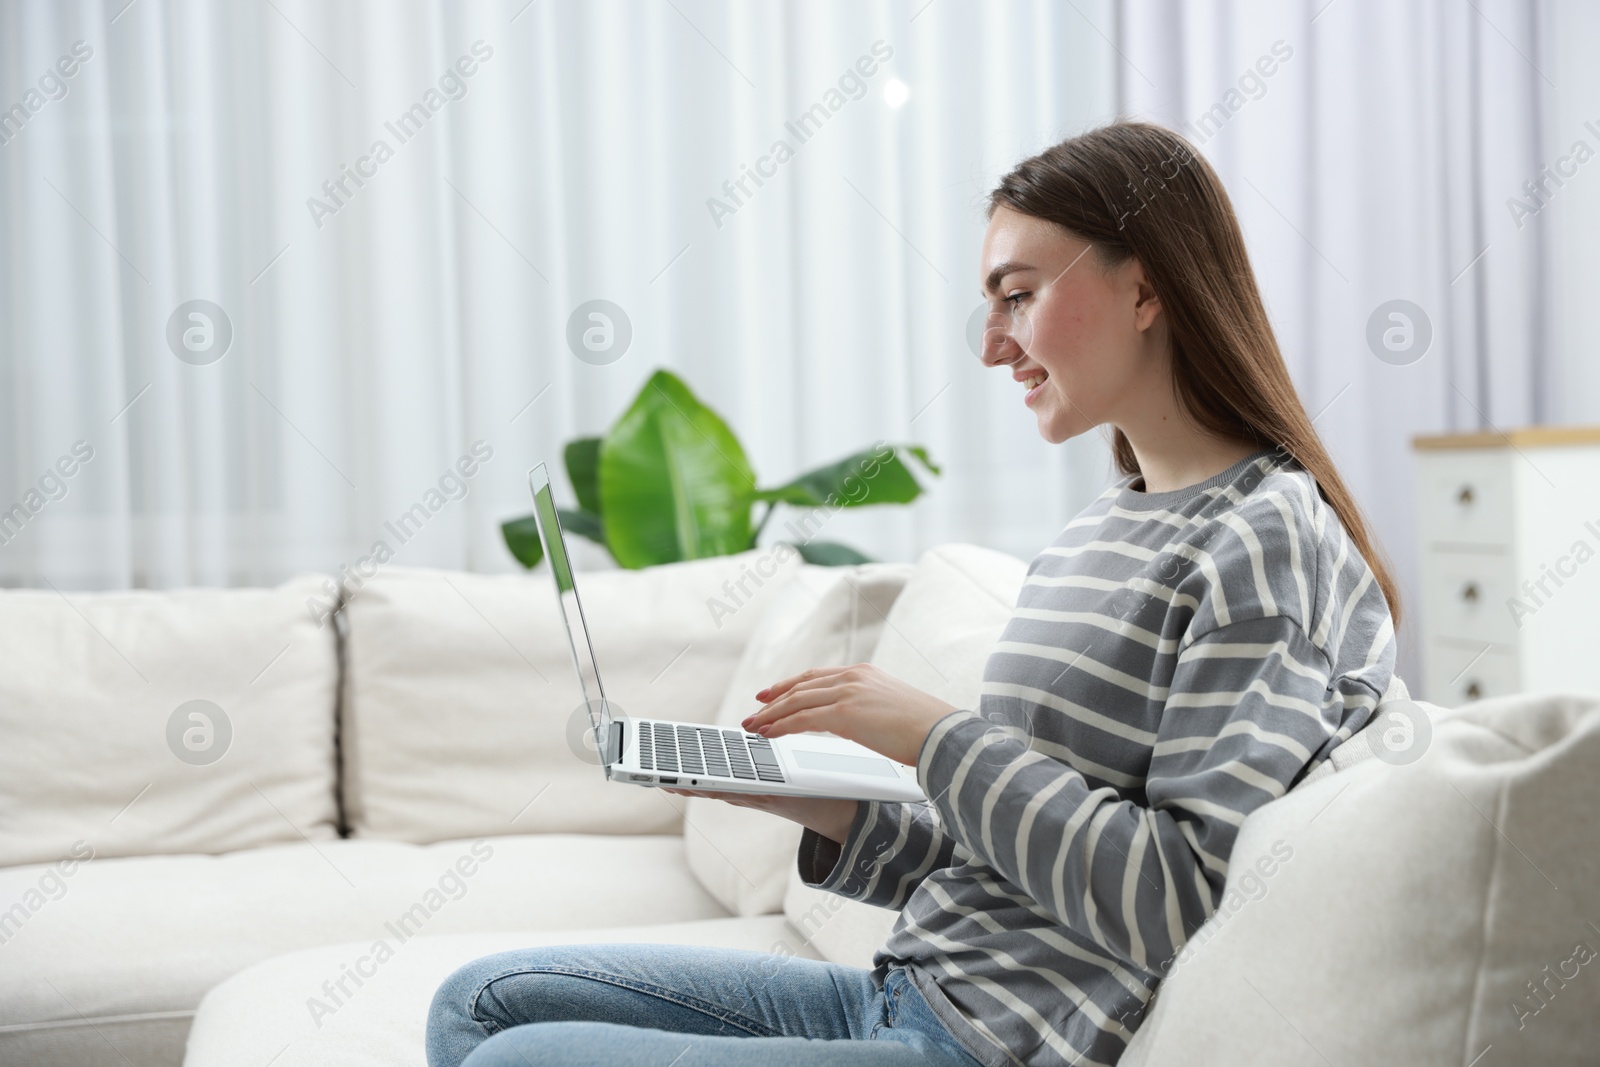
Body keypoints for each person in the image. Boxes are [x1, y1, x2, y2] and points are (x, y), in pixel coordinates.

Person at [425, 119, 1399, 1067]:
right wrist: (800, 798)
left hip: (988, 1043)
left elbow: (1175, 897)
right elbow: (1005, 857)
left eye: (1016, 295)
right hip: (911, 990)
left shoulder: (1262, 536)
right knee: (476, 1005)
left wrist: (934, 736)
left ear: (1144, 287)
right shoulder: (1103, 525)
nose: (990, 346)